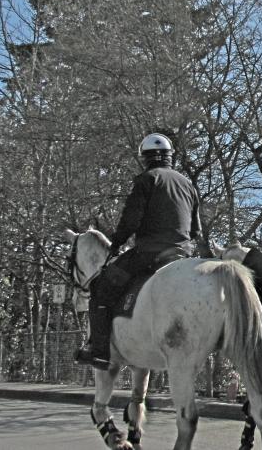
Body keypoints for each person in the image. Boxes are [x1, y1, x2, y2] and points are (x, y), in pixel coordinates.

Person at [75, 133, 213, 370]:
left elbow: (130, 220)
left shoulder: (146, 180)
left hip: (150, 253)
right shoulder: (187, 184)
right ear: (169, 157)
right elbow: (195, 230)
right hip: (181, 253)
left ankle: (98, 351)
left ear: (145, 159)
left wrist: (117, 243)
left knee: (101, 286)